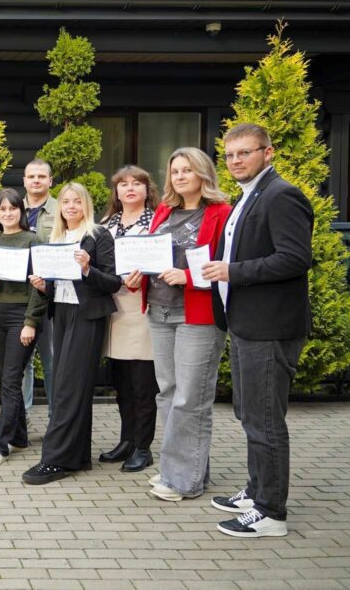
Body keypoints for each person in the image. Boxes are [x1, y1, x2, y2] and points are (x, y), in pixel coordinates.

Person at [203, 123, 313, 538]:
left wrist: (233, 271)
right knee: (250, 414)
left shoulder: (282, 195)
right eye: (230, 155)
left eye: (245, 153)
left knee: (265, 420)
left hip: (271, 326)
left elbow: (294, 258)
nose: (236, 162)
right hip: (246, 323)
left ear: (268, 152)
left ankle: (271, 513)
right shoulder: (248, 197)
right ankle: (255, 491)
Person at [134, 148, 231, 503]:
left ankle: (184, 481)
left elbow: (227, 264)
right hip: (159, 310)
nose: (179, 176)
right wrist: (137, 270)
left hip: (197, 314)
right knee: (169, 393)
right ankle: (181, 469)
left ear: (203, 173)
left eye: (187, 170)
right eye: (174, 171)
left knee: (191, 398)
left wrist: (187, 276)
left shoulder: (221, 213)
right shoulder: (164, 211)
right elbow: (152, 254)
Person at [23, 182, 122, 484]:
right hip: (63, 313)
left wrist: (88, 269)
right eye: (66, 202)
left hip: (87, 315)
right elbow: (56, 283)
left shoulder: (97, 235)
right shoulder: (59, 237)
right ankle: (77, 457)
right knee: (71, 387)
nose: (70, 206)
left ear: (86, 205)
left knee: (68, 387)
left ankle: (56, 460)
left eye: (76, 201)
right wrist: (43, 286)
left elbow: (113, 282)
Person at [99, 166, 160, 473]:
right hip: (115, 309)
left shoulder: (157, 223)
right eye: (123, 184)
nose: (130, 188)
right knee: (121, 382)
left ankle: (142, 446)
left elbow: (166, 260)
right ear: (117, 192)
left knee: (142, 384)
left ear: (147, 191)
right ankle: (126, 440)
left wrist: (146, 273)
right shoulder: (106, 224)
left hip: (143, 308)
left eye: (137, 183)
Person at [0, 188, 46, 467]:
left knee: (10, 379)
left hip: (21, 315)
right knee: (9, 378)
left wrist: (31, 322)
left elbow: (39, 288)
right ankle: (19, 435)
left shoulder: (32, 241)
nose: (7, 213)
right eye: (2, 209)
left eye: (12, 208)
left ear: (21, 211)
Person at [21, 158, 58, 416]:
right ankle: (19, 420)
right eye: (31, 176)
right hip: (19, 298)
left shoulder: (60, 210)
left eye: (41, 176)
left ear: (50, 181)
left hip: (51, 298)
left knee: (52, 362)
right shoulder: (11, 207)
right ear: (24, 180)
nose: (36, 181)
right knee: (21, 364)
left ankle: (57, 420)